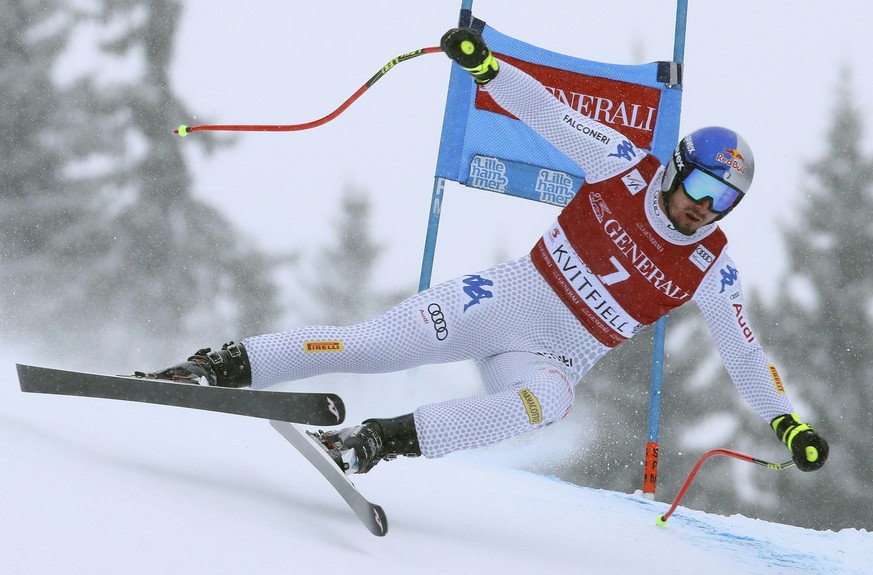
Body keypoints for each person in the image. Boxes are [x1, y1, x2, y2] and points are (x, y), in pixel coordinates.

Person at [145, 28, 828, 476]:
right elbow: (547, 112)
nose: (704, 207)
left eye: (723, 200)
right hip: (506, 298)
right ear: (678, 167)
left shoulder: (711, 265)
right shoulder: (622, 165)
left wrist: (783, 420)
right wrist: (488, 68)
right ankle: (219, 366)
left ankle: (375, 439)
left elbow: (741, 354)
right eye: (702, 185)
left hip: (553, 356)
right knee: (374, 346)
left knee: (545, 406)